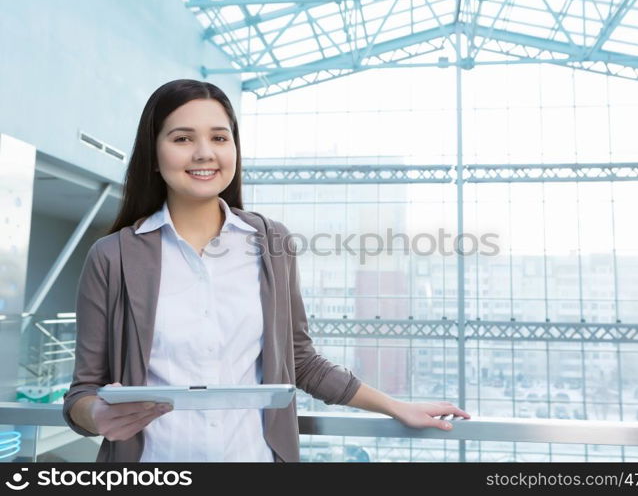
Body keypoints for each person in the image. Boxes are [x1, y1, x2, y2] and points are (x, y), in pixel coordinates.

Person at [62, 79, 471, 462]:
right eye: (183, 138)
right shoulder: (112, 256)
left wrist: (396, 406)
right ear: (154, 155)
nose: (205, 152)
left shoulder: (270, 243)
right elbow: (82, 392)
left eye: (219, 138)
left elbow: (300, 360)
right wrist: (97, 415)